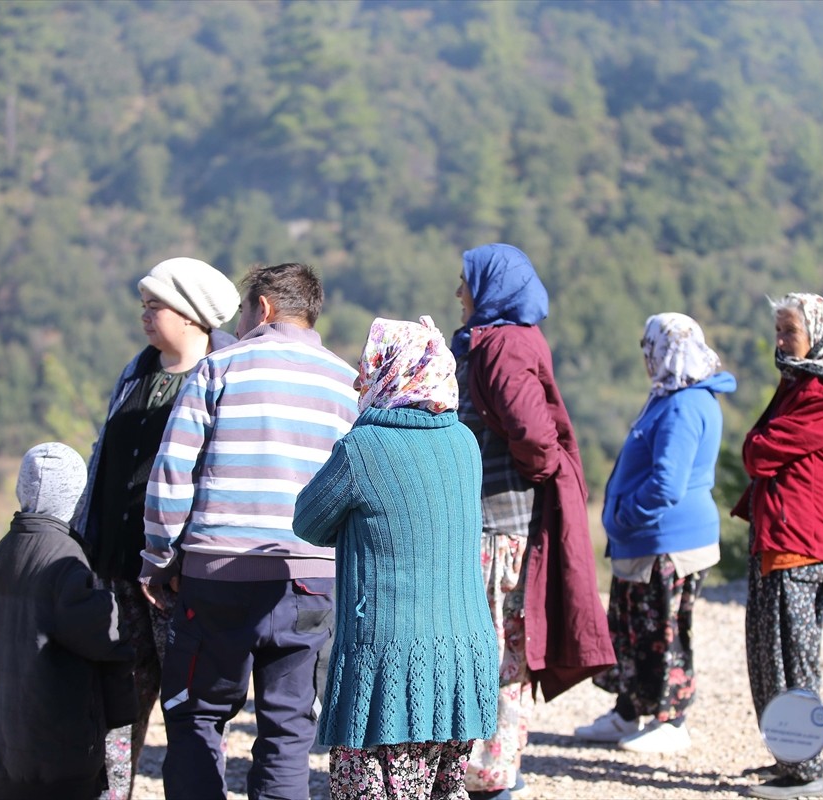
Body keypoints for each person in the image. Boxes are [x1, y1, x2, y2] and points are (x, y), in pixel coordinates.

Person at [140, 262, 358, 800]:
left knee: (196, 714)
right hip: (310, 582)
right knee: (288, 728)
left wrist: (160, 558)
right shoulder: (347, 383)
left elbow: (172, 472)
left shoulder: (220, 368)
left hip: (219, 577)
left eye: (242, 312)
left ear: (262, 308)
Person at [292, 315, 499, 799]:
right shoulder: (465, 442)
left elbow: (307, 522)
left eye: (369, 366)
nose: (359, 378)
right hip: (461, 653)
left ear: (391, 371)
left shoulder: (362, 448)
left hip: (388, 662)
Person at [450, 243, 616, 800]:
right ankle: (492, 771)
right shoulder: (499, 341)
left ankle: (491, 775)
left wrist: (530, 468)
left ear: (491, 289)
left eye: (466, 283)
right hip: (496, 523)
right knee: (497, 649)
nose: (459, 294)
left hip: (500, 528)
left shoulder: (502, 346)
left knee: (493, 649)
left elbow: (534, 439)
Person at [73, 256, 240, 799]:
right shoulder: (137, 371)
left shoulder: (221, 375)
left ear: (192, 317)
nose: (145, 316)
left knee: (187, 703)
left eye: (156, 307)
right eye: (144, 305)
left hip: (179, 576)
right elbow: (106, 457)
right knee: (116, 698)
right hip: (118, 567)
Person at [731, 293, 823, 800]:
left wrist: (757, 442)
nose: (780, 343)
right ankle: (791, 761)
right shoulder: (809, 382)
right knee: (770, 655)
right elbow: (761, 448)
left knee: (790, 660)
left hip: (798, 541)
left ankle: (807, 770)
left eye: (789, 332)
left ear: (816, 332)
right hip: (783, 537)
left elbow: (758, 450)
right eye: (778, 332)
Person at [576, 313, 736, 754]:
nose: (646, 357)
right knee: (633, 629)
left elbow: (667, 484)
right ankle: (629, 714)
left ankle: (672, 720)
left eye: (651, 347)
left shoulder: (685, 404)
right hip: (647, 541)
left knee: (664, 631)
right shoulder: (672, 395)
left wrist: (623, 516)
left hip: (668, 541)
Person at [0, 442, 135, 800]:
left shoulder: (1, 553)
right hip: (52, 758)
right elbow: (104, 636)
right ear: (75, 496)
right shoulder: (64, 560)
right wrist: (115, 607)